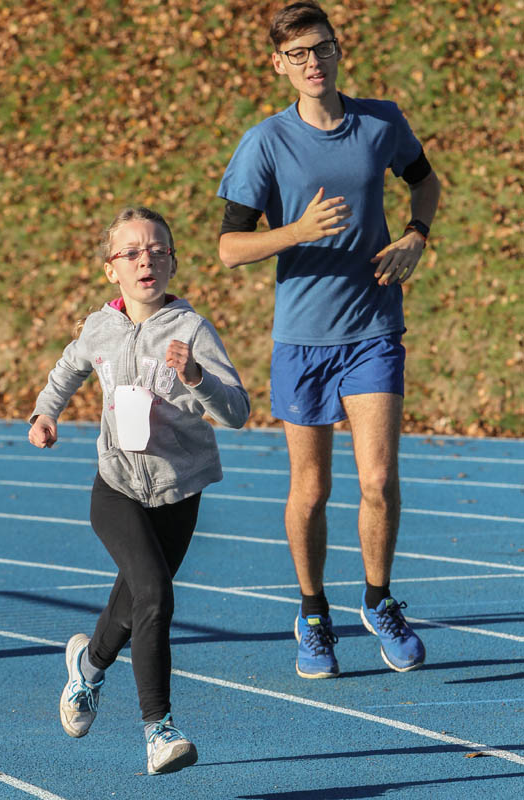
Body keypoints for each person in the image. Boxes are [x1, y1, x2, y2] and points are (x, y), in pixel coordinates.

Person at [217, 1, 440, 679]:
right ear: (278, 65)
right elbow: (229, 248)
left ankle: (378, 599)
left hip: (373, 329)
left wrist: (415, 236)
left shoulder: (381, 122)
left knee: (378, 481)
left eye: (322, 48)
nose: (313, 62)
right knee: (311, 491)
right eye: (298, 54)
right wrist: (296, 232)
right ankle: (313, 614)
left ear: (338, 50)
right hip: (303, 340)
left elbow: (425, 182)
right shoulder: (265, 142)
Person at [28, 206, 250, 774]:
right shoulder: (100, 326)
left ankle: (87, 668)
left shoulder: (192, 330)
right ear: (112, 269)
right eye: (131, 252)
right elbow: (69, 367)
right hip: (117, 485)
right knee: (155, 593)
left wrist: (197, 378)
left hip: (178, 492)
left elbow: (237, 412)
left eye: (157, 250)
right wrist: (46, 412)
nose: (145, 259)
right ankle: (159, 730)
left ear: (172, 262)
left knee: (132, 606)